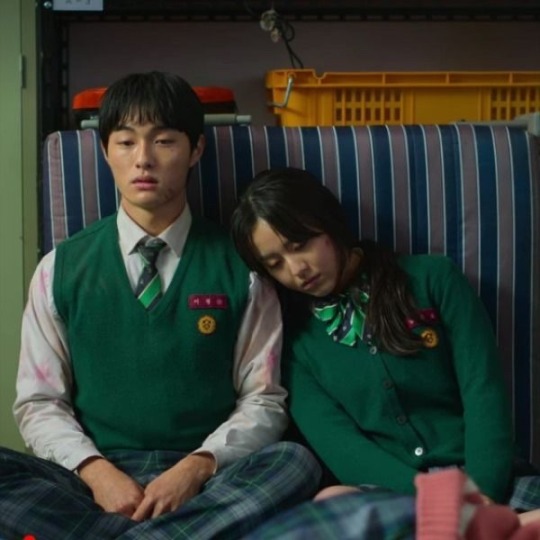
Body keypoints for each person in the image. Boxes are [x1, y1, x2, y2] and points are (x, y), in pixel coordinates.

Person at [0, 74, 321, 540]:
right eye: (126, 142)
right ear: (105, 151)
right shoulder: (59, 269)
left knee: (295, 462)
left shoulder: (244, 269)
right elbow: (39, 402)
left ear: (195, 150)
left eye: (164, 141)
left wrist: (195, 468)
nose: (143, 159)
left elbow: (263, 399)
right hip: (91, 478)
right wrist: (96, 473)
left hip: (209, 479)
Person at [230, 166, 540, 538]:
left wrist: (481, 497)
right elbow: (342, 447)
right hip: (391, 496)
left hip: (492, 481)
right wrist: (444, 508)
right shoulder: (293, 343)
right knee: (333, 502)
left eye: (300, 244)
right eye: (275, 264)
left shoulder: (433, 279)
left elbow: (483, 392)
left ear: (329, 222)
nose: (297, 270)